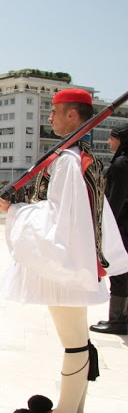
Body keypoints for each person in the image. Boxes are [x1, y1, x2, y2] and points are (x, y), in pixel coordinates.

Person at [0, 89, 128, 412]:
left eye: (54, 111)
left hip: (66, 265)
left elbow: (58, 218)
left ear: (72, 115)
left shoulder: (68, 161)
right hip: (75, 263)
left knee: (75, 344)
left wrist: (14, 210)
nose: (49, 117)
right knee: (78, 342)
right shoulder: (81, 157)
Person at [90, 124, 128, 335]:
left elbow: (115, 201)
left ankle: (117, 320)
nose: (108, 141)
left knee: (120, 272)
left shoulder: (122, 164)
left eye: (112, 138)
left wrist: (103, 226)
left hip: (122, 226)